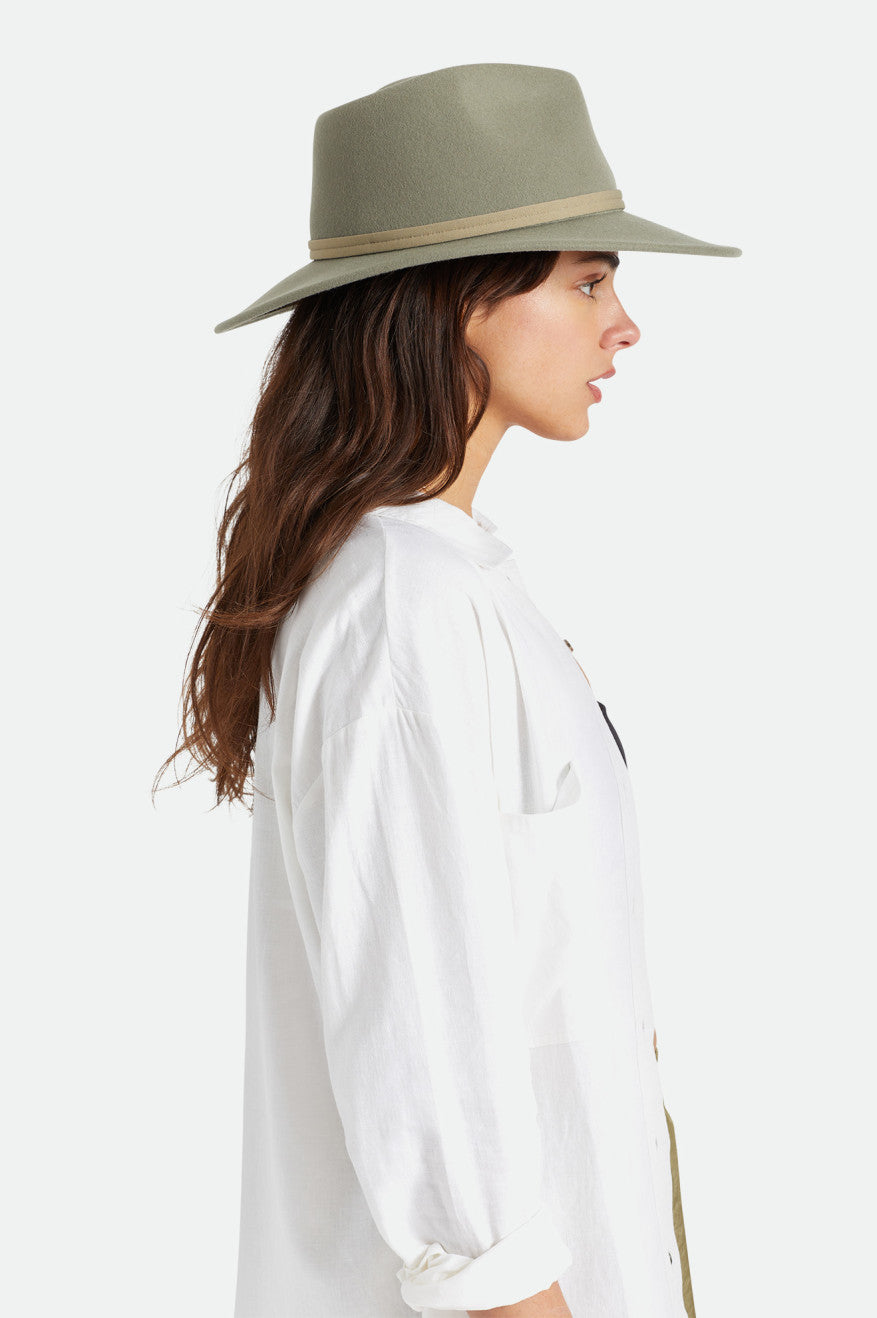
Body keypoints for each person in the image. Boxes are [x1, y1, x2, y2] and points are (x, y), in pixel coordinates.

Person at [154, 63, 739, 1318]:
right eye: (587, 281)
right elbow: (419, 1024)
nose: (624, 325)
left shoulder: (450, 579)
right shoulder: (395, 602)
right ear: (464, 298)